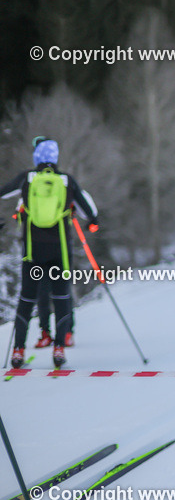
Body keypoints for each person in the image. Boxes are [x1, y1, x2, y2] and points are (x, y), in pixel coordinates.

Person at [1, 138, 98, 368]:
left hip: (33, 250)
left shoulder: (26, 178)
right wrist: (91, 224)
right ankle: (59, 349)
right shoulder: (66, 180)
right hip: (60, 250)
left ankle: (18, 351)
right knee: (62, 298)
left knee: (27, 298)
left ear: (36, 157)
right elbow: (91, 213)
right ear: (55, 158)